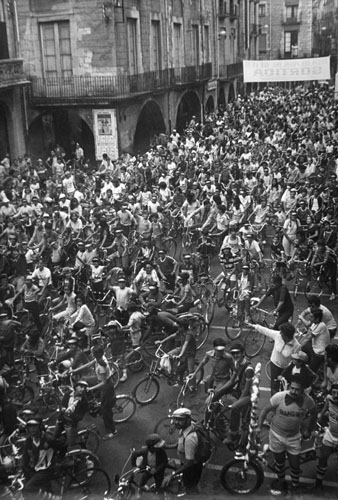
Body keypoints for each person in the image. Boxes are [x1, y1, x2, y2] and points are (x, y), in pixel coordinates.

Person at [257, 375, 316, 495]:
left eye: (297, 389)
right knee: (279, 463)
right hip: (276, 435)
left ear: (303, 390)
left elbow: (314, 414)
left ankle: (295, 485)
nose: (294, 391)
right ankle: (281, 482)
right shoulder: (279, 397)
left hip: (294, 438)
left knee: (295, 465)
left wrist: (308, 429)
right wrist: (259, 426)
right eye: (292, 388)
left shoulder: (308, 400)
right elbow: (264, 410)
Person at [72, 345, 117, 440]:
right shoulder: (100, 358)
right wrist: (75, 370)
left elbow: (103, 383)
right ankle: (92, 401)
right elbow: (89, 364)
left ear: (95, 354)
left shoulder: (102, 366)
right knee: (83, 380)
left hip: (106, 386)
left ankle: (112, 431)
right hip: (99, 379)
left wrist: (91, 388)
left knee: (106, 411)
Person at [245, 321, 301, 395]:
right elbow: (266, 331)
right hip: (274, 365)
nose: (280, 333)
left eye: (282, 333)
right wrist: (254, 326)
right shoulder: (278, 335)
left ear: (287, 336)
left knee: (284, 386)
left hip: (286, 368)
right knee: (274, 385)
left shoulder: (296, 345)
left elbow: (295, 361)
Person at [308, 382, 338, 491]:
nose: (336, 395)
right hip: (330, 435)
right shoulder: (329, 401)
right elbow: (321, 415)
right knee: (322, 459)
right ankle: (318, 484)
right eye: (333, 393)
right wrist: (315, 427)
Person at [170, 408, 203, 494]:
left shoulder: (190, 439)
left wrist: (173, 474)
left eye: (180, 419)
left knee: (190, 485)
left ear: (188, 420)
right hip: (185, 461)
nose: (176, 422)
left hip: (191, 468)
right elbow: (180, 444)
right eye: (175, 419)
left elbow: (189, 463)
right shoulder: (186, 427)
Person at [54, 380, 89, 450]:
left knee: (71, 445)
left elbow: (80, 416)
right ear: (76, 387)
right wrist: (63, 408)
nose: (82, 389)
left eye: (84, 388)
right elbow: (61, 404)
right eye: (81, 387)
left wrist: (71, 415)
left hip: (70, 424)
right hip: (61, 419)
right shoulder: (67, 394)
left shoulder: (84, 401)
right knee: (54, 437)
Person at [131, 433, 168, 498]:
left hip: (158, 471)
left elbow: (165, 462)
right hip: (148, 469)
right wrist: (134, 466)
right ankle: (140, 490)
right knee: (143, 480)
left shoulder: (161, 451)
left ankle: (160, 495)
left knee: (159, 484)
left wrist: (156, 469)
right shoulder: (144, 451)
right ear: (151, 447)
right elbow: (134, 454)